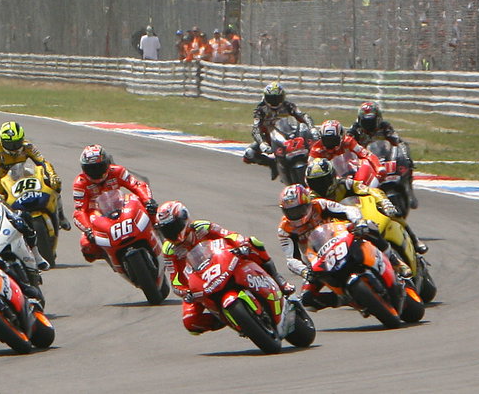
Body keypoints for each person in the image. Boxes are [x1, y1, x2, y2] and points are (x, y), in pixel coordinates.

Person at [156, 201, 292, 335]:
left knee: (253, 243)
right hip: (200, 283)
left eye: (173, 226)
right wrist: (186, 292)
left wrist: (241, 243)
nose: (170, 232)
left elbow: (229, 235)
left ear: (184, 219)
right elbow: (175, 279)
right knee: (190, 322)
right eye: (165, 229)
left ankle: (277, 278)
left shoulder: (201, 227)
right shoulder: (169, 249)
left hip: (223, 263)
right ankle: (228, 319)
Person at [72, 144, 155, 263]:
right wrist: (88, 229)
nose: (95, 172)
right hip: (97, 215)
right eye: (90, 168)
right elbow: (80, 210)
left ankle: (157, 237)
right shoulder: (80, 183)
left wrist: (148, 200)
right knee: (87, 247)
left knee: (152, 212)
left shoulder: (117, 171)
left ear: (106, 164)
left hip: (121, 205)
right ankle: (111, 256)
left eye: (99, 167)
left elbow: (137, 185)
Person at [243, 82, 312, 178]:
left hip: (290, 133)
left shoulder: (288, 105)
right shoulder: (260, 110)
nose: (275, 101)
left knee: (312, 140)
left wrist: (312, 128)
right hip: (270, 137)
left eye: (277, 98)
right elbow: (255, 129)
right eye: (272, 98)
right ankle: (272, 164)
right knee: (249, 154)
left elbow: (302, 115)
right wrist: (262, 143)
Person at [308, 119, 381, 186]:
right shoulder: (316, 149)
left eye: (333, 140)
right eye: (326, 140)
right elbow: (310, 170)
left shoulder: (349, 142)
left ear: (341, 137)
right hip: (332, 182)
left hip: (353, 176)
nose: (330, 144)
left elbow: (366, 154)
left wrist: (378, 168)